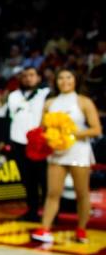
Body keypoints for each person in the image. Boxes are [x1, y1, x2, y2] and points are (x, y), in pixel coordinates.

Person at [30, 69, 102, 244]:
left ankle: (81, 230)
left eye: (68, 77)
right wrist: (44, 139)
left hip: (79, 151)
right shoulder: (49, 103)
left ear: (75, 80)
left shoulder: (84, 102)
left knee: (81, 193)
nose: (64, 81)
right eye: (60, 78)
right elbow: (42, 129)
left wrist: (70, 134)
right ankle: (45, 228)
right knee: (53, 193)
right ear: (56, 81)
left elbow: (96, 129)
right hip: (57, 153)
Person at [7, 66, 50, 221]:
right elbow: (10, 117)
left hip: (39, 142)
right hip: (18, 141)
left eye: (32, 75)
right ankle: (31, 211)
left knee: (44, 179)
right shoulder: (13, 96)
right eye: (25, 76)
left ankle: (50, 213)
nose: (28, 78)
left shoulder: (45, 94)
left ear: (39, 78)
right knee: (27, 179)